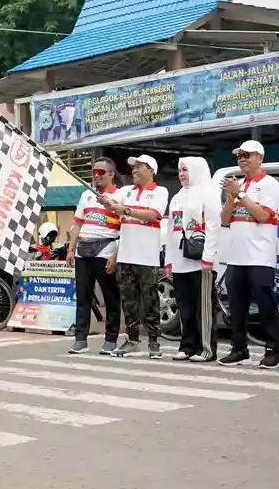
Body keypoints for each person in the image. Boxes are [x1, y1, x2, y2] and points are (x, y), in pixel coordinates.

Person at [219, 140, 279, 368]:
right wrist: (230, 198)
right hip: (237, 256)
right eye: (240, 156)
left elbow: (263, 215)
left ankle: (272, 350)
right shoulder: (239, 184)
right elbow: (225, 220)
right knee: (237, 306)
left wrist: (240, 194)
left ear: (260, 158)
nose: (242, 159)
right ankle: (239, 349)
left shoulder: (269, 184)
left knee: (265, 304)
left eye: (248, 155)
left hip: (260, 256)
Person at [101, 154, 168, 358]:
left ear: (151, 170)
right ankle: (132, 340)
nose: (134, 170)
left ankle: (154, 341)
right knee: (129, 302)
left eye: (139, 166)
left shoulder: (160, 192)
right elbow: (111, 203)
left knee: (151, 301)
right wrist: (105, 201)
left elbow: (153, 214)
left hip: (147, 258)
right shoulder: (126, 191)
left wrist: (125, 210)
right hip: (125, 257)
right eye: (134, 167)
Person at [165, 156, 221, 362]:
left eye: (185, 170)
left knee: (203, 308)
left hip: (201, 262)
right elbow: (171, 229)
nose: (181, 174)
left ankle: (206, 349)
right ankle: (187, 346)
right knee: (185, 306)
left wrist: (208, 257)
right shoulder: (177, 197)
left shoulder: (208, 195)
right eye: (180, 170)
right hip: (180, 262)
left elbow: (213, 228)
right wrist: (169, 260)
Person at [66, 157, 123, 355]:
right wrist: (71, 248)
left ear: (111, 174)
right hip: (83, 249)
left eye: (101, 172)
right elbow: (77, 223)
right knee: (82, 296)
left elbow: (125, 228)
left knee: (110, 296)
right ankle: (80, 339)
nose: (96, 176)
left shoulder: (120, 196)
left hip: (106, 247)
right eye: (94, 172)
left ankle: (111, 339)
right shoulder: (86, 195)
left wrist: (115, 255)